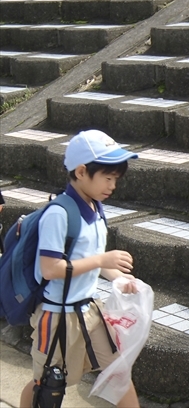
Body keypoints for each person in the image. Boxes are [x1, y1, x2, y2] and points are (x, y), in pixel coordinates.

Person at [20, 129, 141, 408]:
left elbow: (90, 259)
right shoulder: (59, 213)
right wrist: (102, 262)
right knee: (47, 382)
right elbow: (50, 268)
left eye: (115, 179)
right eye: (107, 178)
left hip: (88, 309)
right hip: (56, 315)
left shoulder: (96, 207)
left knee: (117, 372)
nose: (112, 185)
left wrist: (118, 277)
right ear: (82, 171)